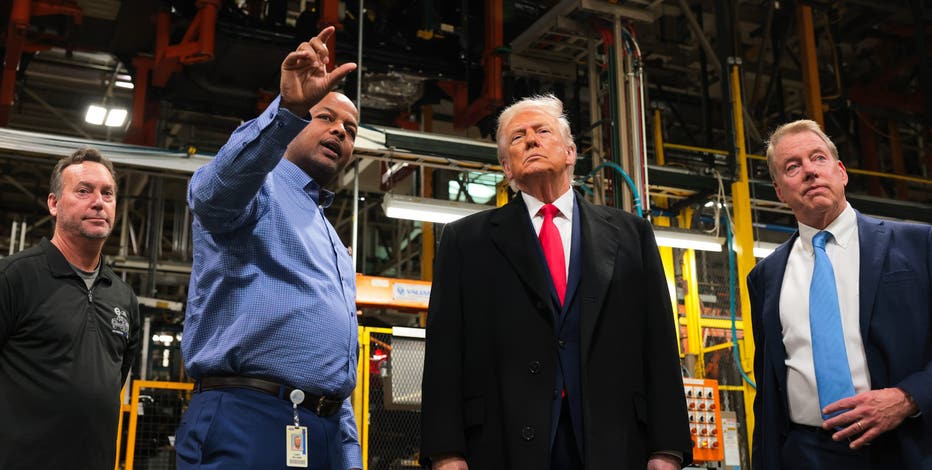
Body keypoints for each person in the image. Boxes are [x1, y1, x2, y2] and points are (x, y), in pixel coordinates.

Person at [420, 94, 693, 469]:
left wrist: (668, 448)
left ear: (570, 152)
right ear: (506, 167)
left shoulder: (632, 236)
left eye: (542, 131)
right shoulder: (466, 241)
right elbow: (444, 354)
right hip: (500, 446)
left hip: (615, 443)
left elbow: (659, 344)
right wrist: (445, 452)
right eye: (517, 138)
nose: (530, 140)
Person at [175, 26, 362, 470]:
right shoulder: (256, 186)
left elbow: (334, 359)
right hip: (248, 416)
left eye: (350, 129)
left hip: (324, 429)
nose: (340, 131)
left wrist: (349, 451)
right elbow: (211, 195)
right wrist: (288, 110)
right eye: (326, 118)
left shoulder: (330, 236)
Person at [748, 119, 931, 469]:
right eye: (792, 166)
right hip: (807, 454)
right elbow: (768, 392)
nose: (809, 172)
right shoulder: (765, 277)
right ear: (779, 191)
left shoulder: (918, 246)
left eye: (818, 158)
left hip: (906, 445)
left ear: (841, 172)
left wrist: (908, 397)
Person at [0, 148, 140, 469]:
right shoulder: (14, 278)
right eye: (83, 191)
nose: (98, 202)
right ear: (53, 203)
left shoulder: (123, 299)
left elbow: (112, 381)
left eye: (107, 193)